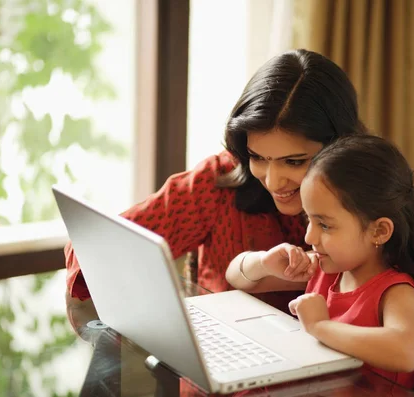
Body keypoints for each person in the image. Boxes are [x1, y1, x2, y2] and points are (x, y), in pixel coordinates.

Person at [64, 49, 368, 333]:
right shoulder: (217, 181)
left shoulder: (372, 190)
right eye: (258, 157)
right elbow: (96, 244)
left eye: (294, 161)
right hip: (222, 370)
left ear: (339, 146)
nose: (273, 181)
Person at [226, 135, 414, 397]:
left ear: (379, 231)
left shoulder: (394, 290)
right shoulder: (325, 268)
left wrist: (320, 327)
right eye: (308, 219)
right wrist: (264, 262)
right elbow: (236, 277)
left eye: (324, 225)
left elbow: (406, 353)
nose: (308, 237)